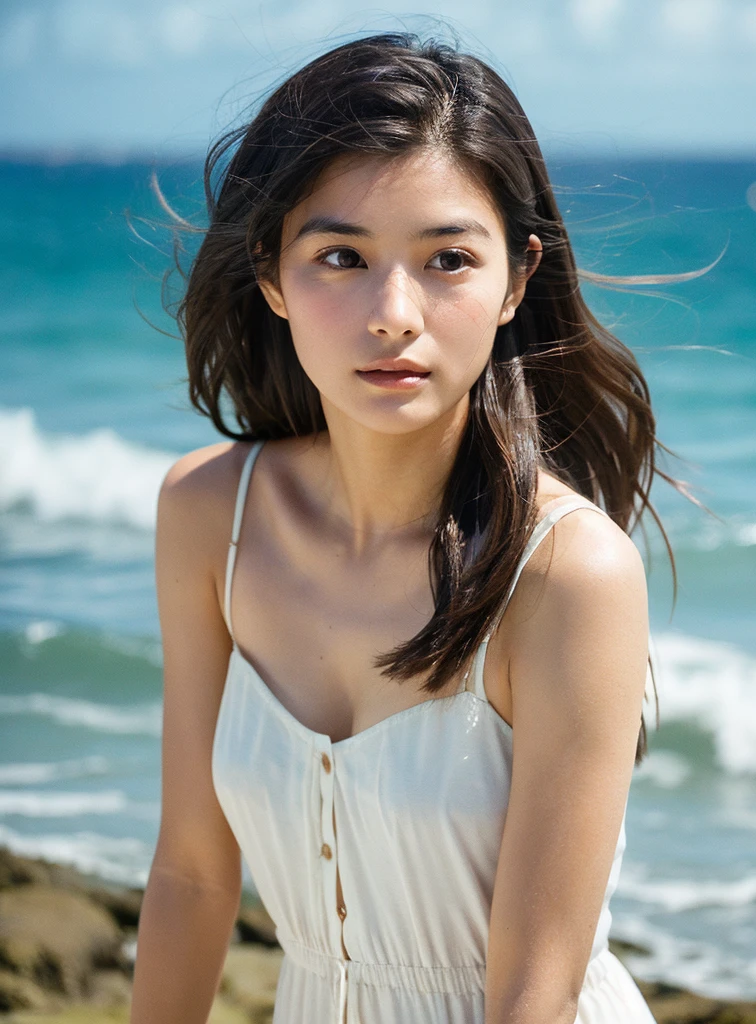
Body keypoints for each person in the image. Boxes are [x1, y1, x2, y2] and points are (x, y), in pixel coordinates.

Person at [131, 31, 678, 1024]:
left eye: (446, 260)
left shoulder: (565, 573)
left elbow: (531, 999)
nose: (394, 313)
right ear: (270, 273)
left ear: (515, 280)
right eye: (341, 255)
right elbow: (193, 875)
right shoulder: (211, 516)